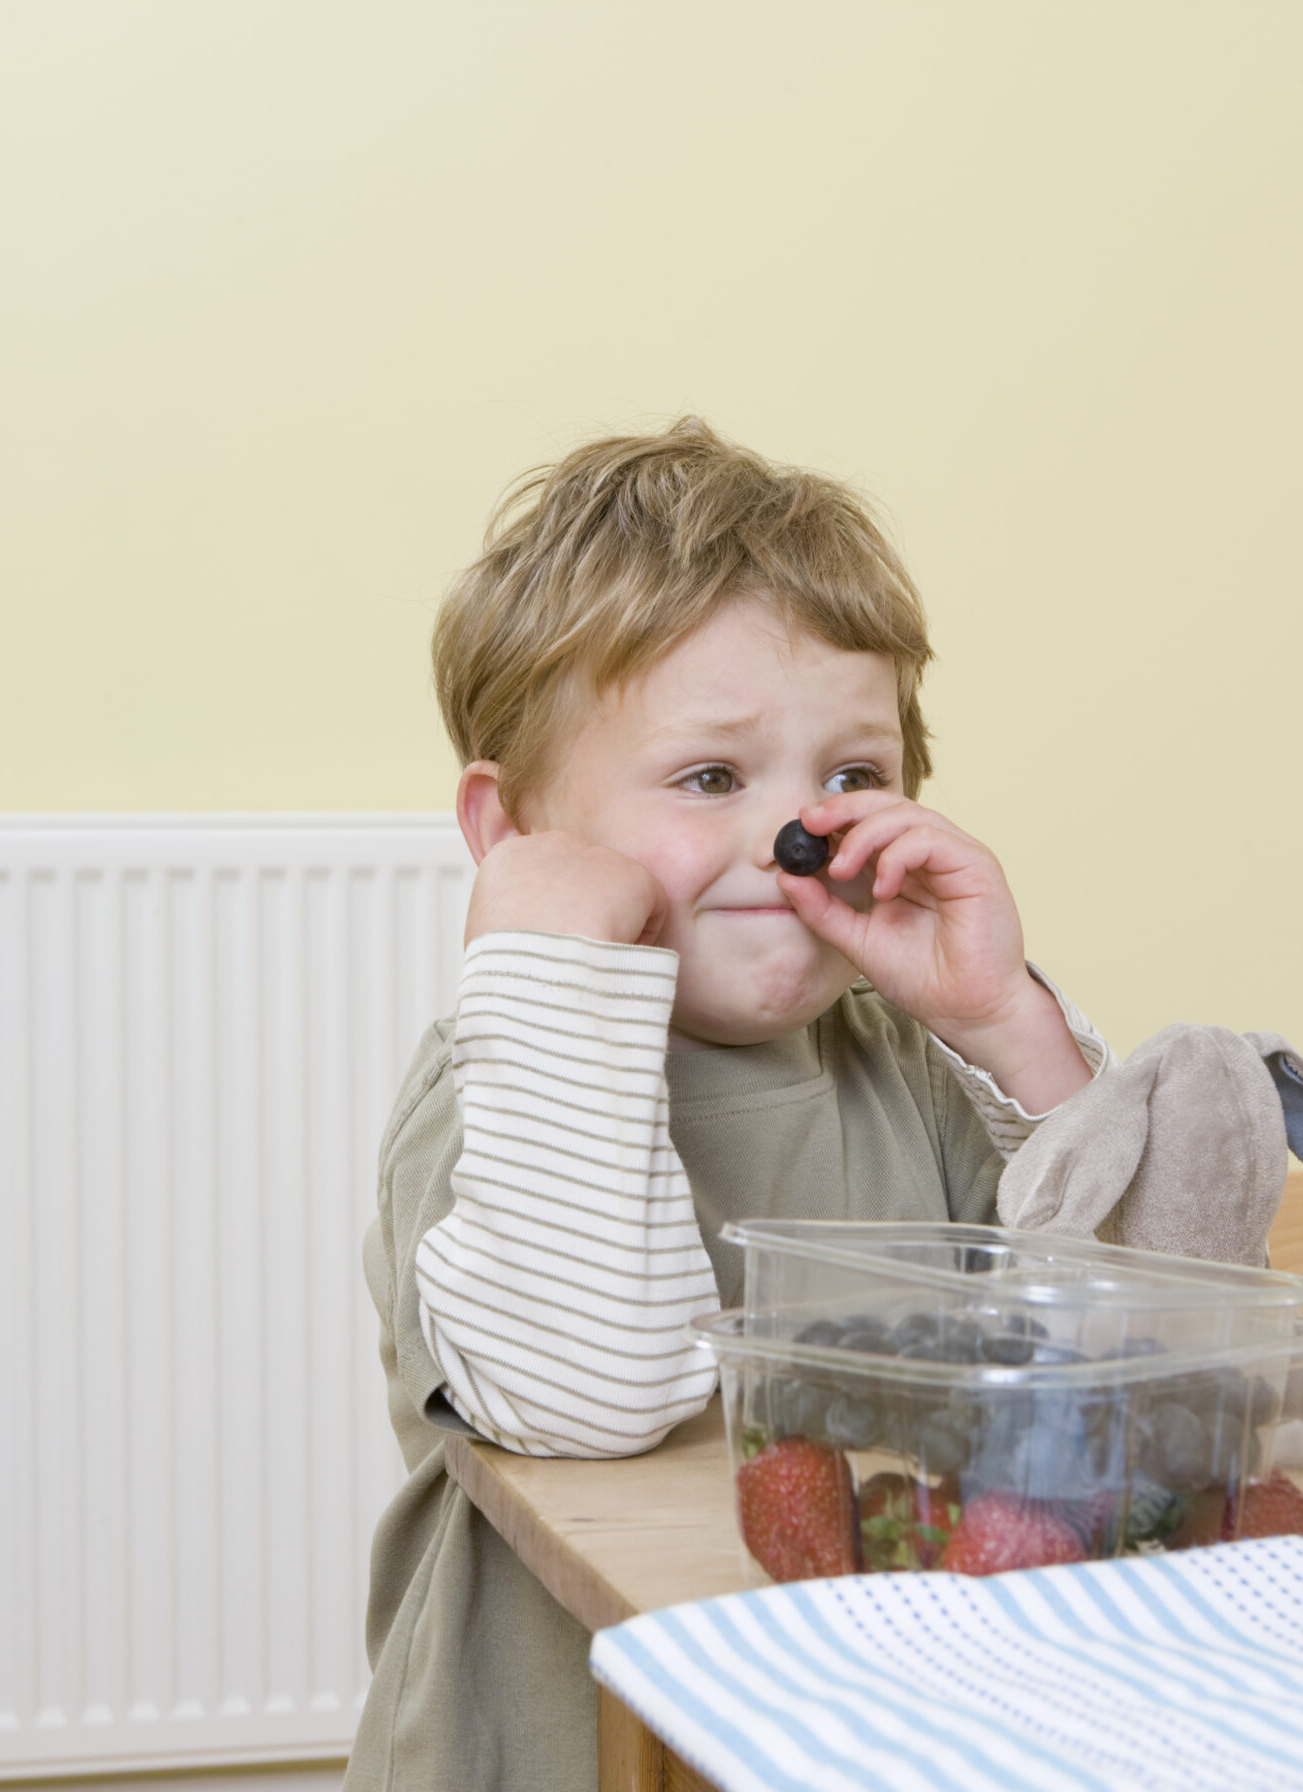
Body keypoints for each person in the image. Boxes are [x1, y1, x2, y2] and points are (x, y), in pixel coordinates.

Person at [344, 418, 1111, 1792]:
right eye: (712, 779)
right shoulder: (494, 1085)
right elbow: (589, 1399)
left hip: (853, 1729)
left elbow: (1130, 1352)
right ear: (511, 829)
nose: (794, 836)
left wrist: (1006, 1023)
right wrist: (552, 960)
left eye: (853, 777)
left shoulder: (915, 1065)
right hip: (561, 1753)